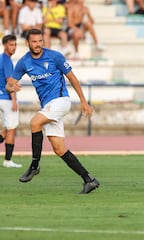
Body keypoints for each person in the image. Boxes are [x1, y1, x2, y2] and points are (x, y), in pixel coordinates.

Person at [5, 29, 100, 194]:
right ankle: (89, 179)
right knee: (59, 148)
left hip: (61, 100)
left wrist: (84, 102)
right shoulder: (24, 62)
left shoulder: (55, 56)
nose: (38, 44)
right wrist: (11, 86)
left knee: (35, 122)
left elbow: (72, 78)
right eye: (34, 41)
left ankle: (34, 166)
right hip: (48, 106)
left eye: (40, 41)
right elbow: (9, 84)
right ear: (28, 43)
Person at [0, 34, 22, 168]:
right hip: (6, 99)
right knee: (12, 129)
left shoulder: (1, 59)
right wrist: (14, 100)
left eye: (15, 45)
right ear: (5, 45)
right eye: (11, 45)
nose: (13, 48)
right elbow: (10, 82)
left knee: (6, 129)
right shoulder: (7, 60)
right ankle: (8, 161)